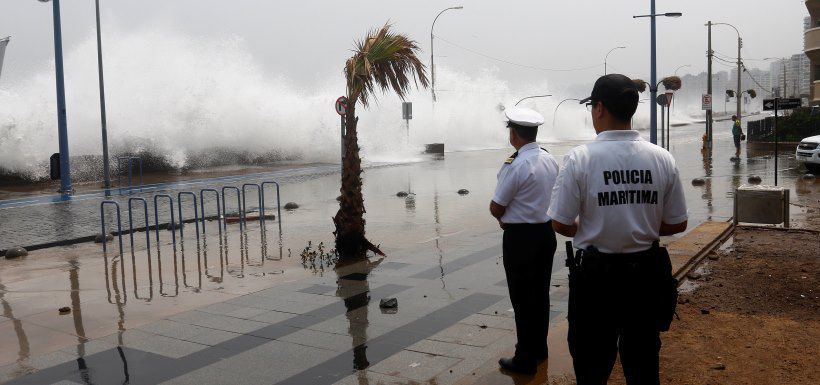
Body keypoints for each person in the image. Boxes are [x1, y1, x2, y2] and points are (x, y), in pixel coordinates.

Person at [548, 74, 688, 385]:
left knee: (592, 368)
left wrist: (595, 224)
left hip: (596, 281)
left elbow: (560, 222)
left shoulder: (580, 159)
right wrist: (646, 223)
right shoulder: (661, 158)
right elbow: (678, 222)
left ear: (599, 109)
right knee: (643, 366)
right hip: (646, 278)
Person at [490, 106, 560, 375]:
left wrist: (501, 216)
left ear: (514, 134)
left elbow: (497, 206)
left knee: (522, 299)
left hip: (520, 239)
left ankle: (525, 359)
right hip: (545, 233)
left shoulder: (516, 164)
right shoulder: (549, 159)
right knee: (540, 295)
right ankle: (539, 350)